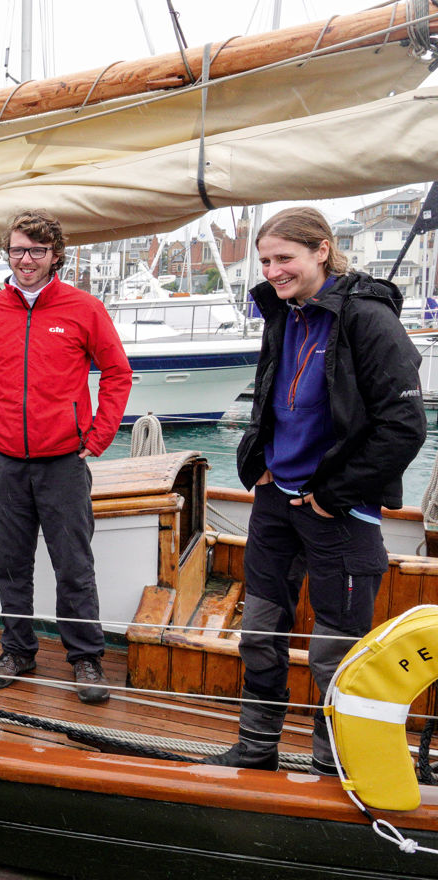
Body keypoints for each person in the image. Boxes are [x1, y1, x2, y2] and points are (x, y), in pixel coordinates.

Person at [205, 207, 425, 773]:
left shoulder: (369, 320)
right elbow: (272, 395)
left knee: (337, 652)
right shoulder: (283, 313)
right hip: (277, 499)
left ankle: (334, 764)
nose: (274, 271)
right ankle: (257, 750)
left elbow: (403, 427)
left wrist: (336, 493)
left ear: (322, 250)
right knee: (258, 631)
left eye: (285, 258)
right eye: (266, 261)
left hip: (340, 509)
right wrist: (257, 463)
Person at [0, 209, 132, 704]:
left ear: (55, 254)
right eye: (18, 250)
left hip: (64, 462)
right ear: (8, 253)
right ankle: (17, 649)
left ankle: (85, 658)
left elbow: (117, 373)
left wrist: (97, 436)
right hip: (7, 462)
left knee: (73, 564)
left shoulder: (83, 308)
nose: (26, 260)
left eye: (37, 251)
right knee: (10, 564)